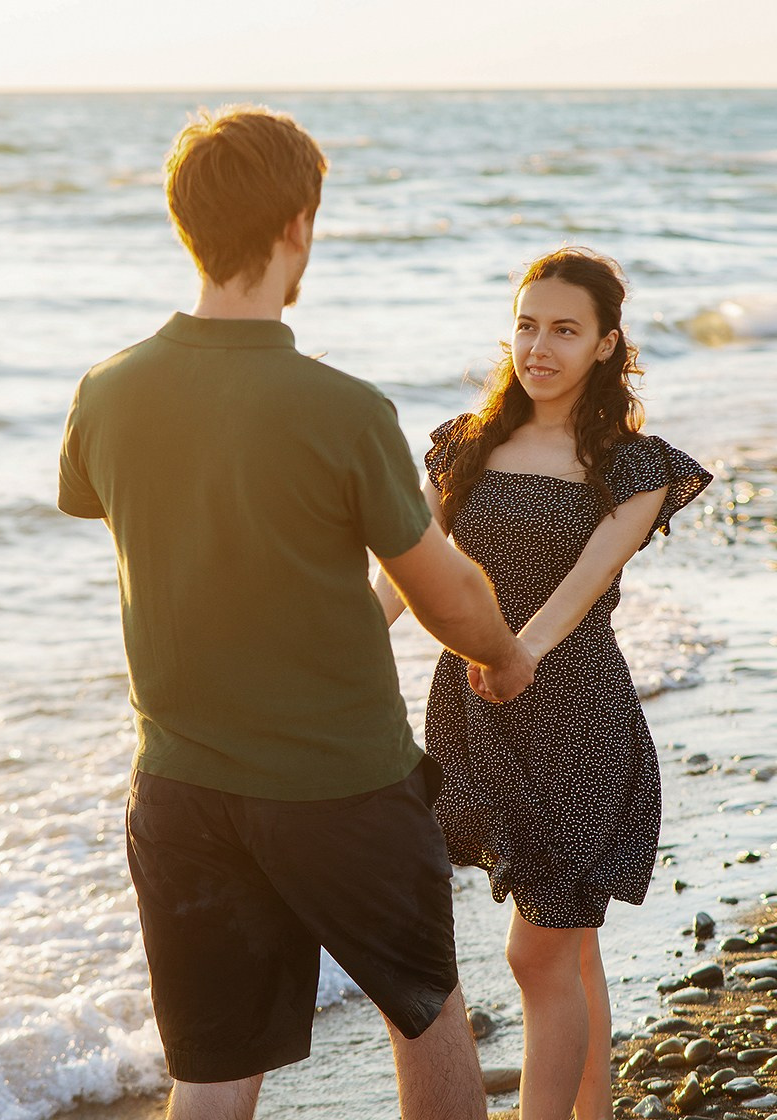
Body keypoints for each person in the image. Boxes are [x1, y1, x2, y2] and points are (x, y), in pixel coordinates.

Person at [57, 104, 536, 1120]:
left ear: (186, 224)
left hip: (180, 790)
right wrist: (502, 654)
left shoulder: (104, 392)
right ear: (296, 226)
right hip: (341, 789)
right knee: (428, 1017)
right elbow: (443, 592)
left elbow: (174, 532)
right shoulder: (342, 409)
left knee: (216, 1070)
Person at [375, 247, 713, 1120]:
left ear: (606, 344)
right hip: (473, 715)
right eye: (527, 325)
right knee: (570, 948)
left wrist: (512, 653)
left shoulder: (636, 466)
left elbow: (584, 586)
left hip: (578, 713)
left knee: (539, 954)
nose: (540, 346)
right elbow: (406, 577)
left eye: (566, 329)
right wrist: (335, 650)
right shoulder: (464, 446)